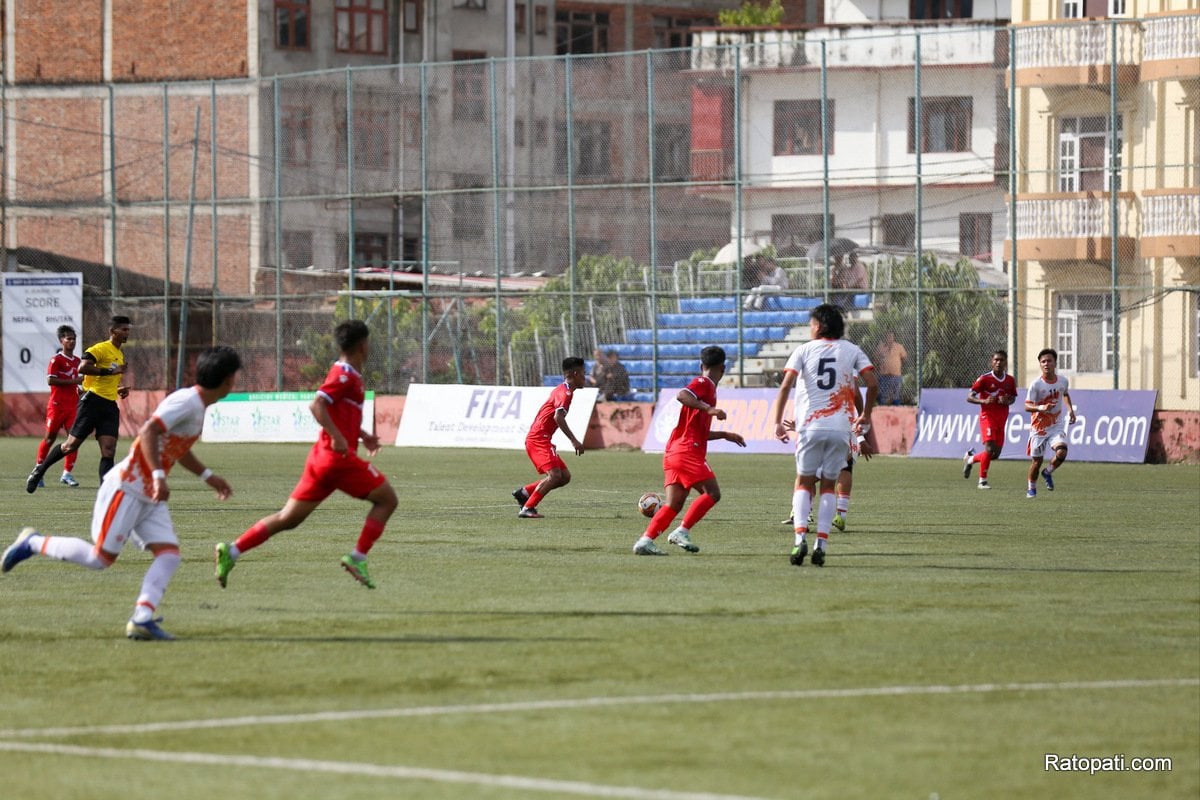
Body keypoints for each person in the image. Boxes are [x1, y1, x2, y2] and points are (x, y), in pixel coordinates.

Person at [3, 346, 243, 641]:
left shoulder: (198, 406)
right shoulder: (186, 402)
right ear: (227, 379)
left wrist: (208, 476)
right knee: (99, 559)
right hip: (128, 486)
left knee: (169, 556)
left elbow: (175, 448)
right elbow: (149, 433)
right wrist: (157, 476)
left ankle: (142, 619)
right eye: (235, 376)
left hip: (149, 495)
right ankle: (33, 542)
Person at [214, 320, 397, 589]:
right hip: (337, 461)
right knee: (387, 500)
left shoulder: (349, 375)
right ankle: (358, 557)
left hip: (322, 461)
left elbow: (338, 413)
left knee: (288, 519)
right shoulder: (343, 375)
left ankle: (231, 551)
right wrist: (337, 437)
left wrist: (361, 435)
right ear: (363, 345)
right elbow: (317, 405)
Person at [772, 303, 878, 567]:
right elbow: (872, 384)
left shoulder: (803, 350)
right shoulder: (852, 350)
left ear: (818, 326)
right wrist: (866, 416)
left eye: (811, 324)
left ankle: (799, 541)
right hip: (841, 428)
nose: (810, 327)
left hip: (810, 426)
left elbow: (786, 385)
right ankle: (822, 543)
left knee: (804, 482)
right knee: (829, 485)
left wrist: (777, 422)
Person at [633, 346, 746, 555]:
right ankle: (681, 531)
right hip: (687, 451)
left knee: (673, 504)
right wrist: (709, 408)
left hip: (674, 451)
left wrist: (724, 435)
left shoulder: (707, 391)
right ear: (723, 368)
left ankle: (645, 540)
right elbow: (682, 394)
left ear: (701, 365)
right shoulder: (704, 383)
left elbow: (699, 431)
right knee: (713, 493)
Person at [26, 315, 133, 492]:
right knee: (70, 446)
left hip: (109, 406)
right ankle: (39, 471)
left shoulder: (119, 354)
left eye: (128, 329)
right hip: (91, 403)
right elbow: (82, 368)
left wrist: (118, 390)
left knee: (108, 450)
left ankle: (105, 494)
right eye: (124, 329)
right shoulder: (99, 349)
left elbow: (105, 381)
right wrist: (109, 371)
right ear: (113, 331)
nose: (127, 333)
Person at [513, 357, 587, 518]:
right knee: (554, 476)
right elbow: (558, 417)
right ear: (575, 374)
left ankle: (524, 493)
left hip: (541, 438)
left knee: (564, 476)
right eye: (583, 374)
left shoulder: (562, 389)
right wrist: (574, 440)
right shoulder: (565, 393)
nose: (585, 377)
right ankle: (528, 508)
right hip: (538, 438)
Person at [32, 325, 84, 488]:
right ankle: (38, 471)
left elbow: (79, 384)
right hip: (56, 406)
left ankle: (67, 474)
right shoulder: (56, 360)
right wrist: (74, 382)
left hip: (72, 407)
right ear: (61, 340)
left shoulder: (77, 361)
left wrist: (82, 391)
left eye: (74, 338)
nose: (72, 341)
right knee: (50, 438)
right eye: (68, 338)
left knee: (73, 440)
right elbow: (51, 380)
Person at [1024, 347, 1075, 499]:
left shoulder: (1063, 381)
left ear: (1055, 363)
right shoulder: (1036, 385)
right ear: (1040, 364)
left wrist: (1070, 410)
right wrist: (1041, 408)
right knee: (1036, 462)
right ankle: (1031, 487)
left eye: (1049, 361)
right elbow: (1027, 406)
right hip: (1039, 428)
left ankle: (1048, 472)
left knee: (1062, 451)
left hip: (1056, 425)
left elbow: (1064, 394)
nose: (1046, 364)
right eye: (1043, 361)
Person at [962, 349, 1017, 490]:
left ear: (1006, 363)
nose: (998, 362)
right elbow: (969, 397)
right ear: (991, 362)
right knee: (989, 447)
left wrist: (1007, 401)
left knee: (995, 454)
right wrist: (984, 401)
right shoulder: (984, 379)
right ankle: (982, 481)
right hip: (988, 417)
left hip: (1001, 419)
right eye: (996, 360)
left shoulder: (1010, 380)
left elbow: (1012, 398)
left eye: (1001, 360)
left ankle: (971, 459)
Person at [872, 331, 908, 405]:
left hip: (896, 376)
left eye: (891, 337)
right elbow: (875, 360)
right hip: (884, 377)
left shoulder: (899, 347)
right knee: (883, 398)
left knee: (896, 397)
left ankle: (896, 413)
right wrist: (876, 371)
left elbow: (904, 358)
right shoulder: (881, 347)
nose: (890, 338)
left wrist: (897, 364)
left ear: (894, 338)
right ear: (885, 338)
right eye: (888, 337)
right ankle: (882, 413)